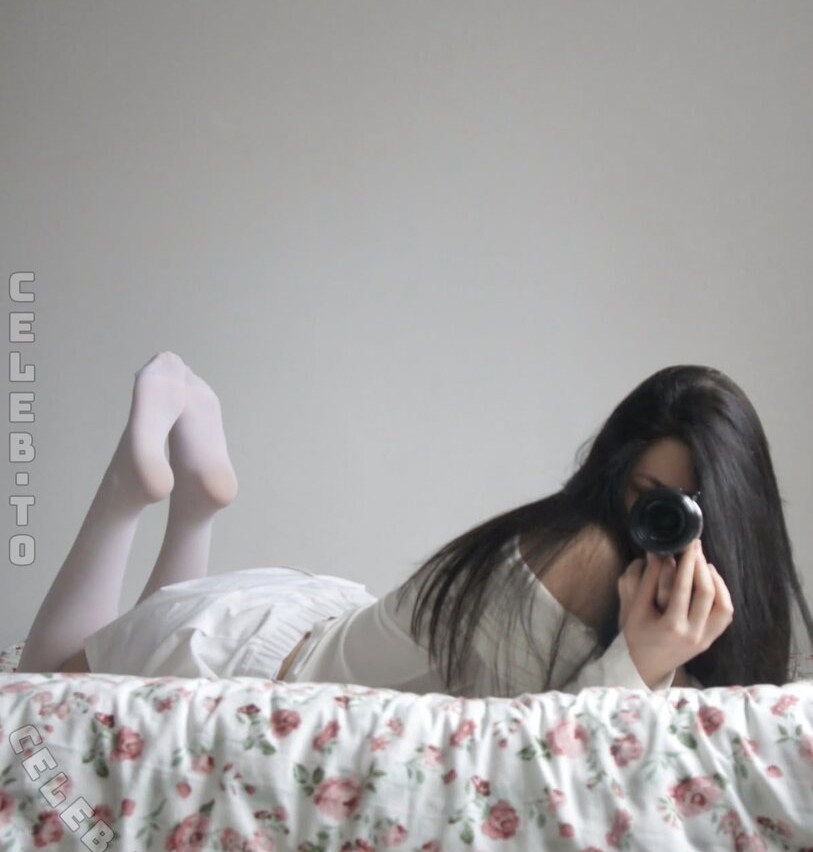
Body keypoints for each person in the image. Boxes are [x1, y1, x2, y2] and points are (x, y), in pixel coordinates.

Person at [17, 355, 812, 696]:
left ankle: (196, 504)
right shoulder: (582, 550)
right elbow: (549, 762)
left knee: (127, 657)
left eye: (684, 511)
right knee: (42, 683)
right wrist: (640, 662)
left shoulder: (700, 611)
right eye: (647, 500)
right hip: (245, 658)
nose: (659, 530)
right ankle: (127, 489)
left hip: (299, 622)